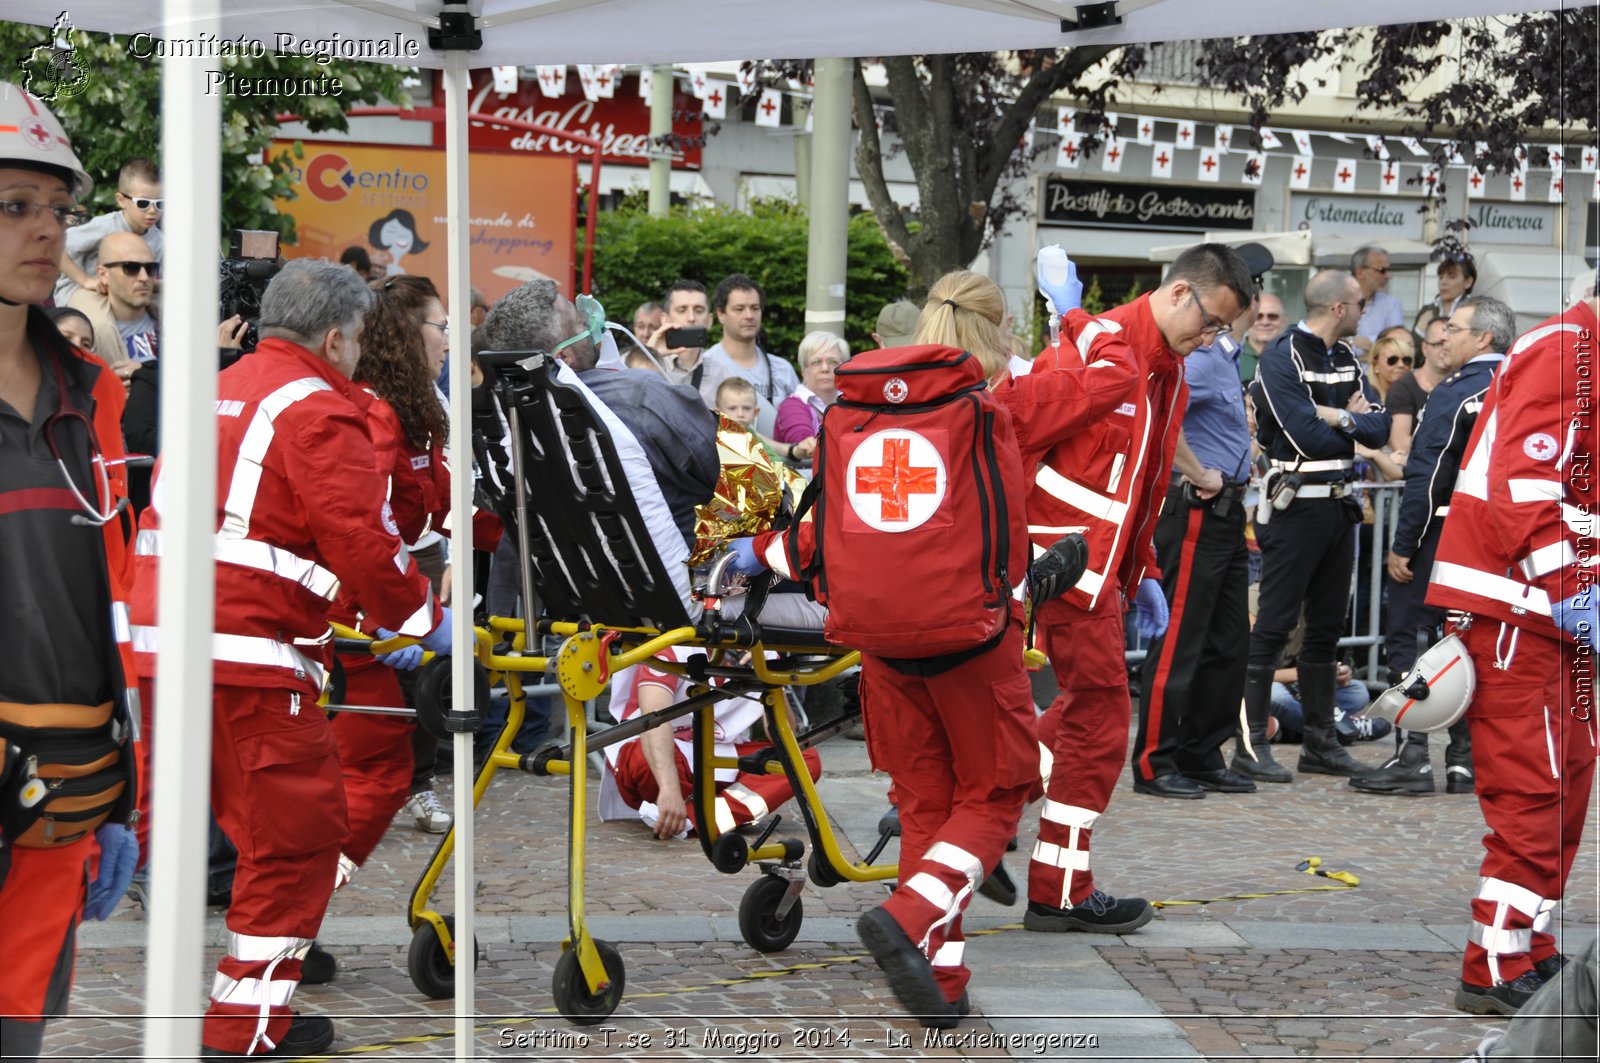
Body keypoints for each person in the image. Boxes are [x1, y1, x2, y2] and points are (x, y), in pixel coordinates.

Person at [729, 265, 1138, 1028]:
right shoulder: (1003, 404)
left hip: (881, 644)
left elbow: (827, 534)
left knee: (925, 804)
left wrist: (756, 552)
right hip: (973, 642)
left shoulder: (857, 414)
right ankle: (912, 911)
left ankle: (942, 973)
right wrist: (1076, 314)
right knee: (996, 793)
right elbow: (1118, 375)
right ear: (998, 331)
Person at [128, 259, 453, 1058]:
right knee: (296, 838)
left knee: (214, 831)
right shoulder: (316, 407)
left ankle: (234, 1004)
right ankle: (245, 1026)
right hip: (249, 650)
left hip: (164, 641)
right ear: (337, 337)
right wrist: (425, 619)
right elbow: (359, 539)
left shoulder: (219, 385)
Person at [1027, 244, 1255, 926]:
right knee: (1097, 722)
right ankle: (1056, 883)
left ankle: (1001, 813)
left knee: (1084, 719)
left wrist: (1144, 572)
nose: (1213, 339)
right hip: (1062, 574)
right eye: (1211, 321)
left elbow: (1143, 485)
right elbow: (1021, 447)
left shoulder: (1168, 370)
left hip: (1095, 577)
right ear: (1181, 291)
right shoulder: (1090, 353)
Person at [0, 84, 143, 1063]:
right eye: (14, 206)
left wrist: (126, 790)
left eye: (56, 207)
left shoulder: (88, 393)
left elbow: (117, 585)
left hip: (66, 787)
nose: (47, 230)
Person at [1425, 292, 1598, 1015]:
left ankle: (1528, 936)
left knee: (1568, 778)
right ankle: (1492, 960)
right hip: (1518, 607)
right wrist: (1572, 588)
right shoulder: (1569, 349)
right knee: (1534, 784)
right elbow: (1523, 485)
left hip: (1548, 612)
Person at [1131, 243, 1273, 799]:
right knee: (1182, 638)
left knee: (1227, 640)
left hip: (1227, 507)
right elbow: (1162, 419)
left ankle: (1201, 751)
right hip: (1196, 506)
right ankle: (1156, 760)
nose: (1215, 328)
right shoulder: (1194, 351)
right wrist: (1197, 472)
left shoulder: (1218, 351)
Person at [1358, 296, 1512, 798]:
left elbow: (1428, 475)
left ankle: (1413, 756)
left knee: (1409, 640)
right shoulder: (1525, 384)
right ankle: (1464, 760)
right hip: (1502, 541)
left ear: (1483, 337)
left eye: (1455, 329)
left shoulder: (1460, 390)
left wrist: (1404, 544)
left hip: (1446, 535)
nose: (1444, 337)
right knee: (1467, 645)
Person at [329, 275, 457, 873]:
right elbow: (358, 531)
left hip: (407, 572)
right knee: (369, 763)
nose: (449, 342)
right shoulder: (375, 414)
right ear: (409, 334)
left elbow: (444, 497)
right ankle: (295, 905)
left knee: (398, 734)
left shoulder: (420, 405)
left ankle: (298, 905)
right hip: (364, 598)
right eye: (441, 326)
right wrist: (376, 619)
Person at [1243, 270, 1391, 781]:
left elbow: (1380, 424)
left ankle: (1321, 744)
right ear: (1337, 309)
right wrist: (1346, 421)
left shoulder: (1348, 356)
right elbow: (1305, 437)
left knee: (1327, 628)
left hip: (1339, 504)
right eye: (1358, 304)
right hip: (1296, 505)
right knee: (1275, 624)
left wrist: (1340, 418)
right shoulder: (1282, 357)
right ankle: (1251, 743)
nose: (1363, 311)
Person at [486, 280, 718, 546]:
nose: (591, 322)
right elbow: (725, 470)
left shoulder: (513, 419)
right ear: (563, 357)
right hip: (689, 569)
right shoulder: (641, 396)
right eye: (580, 323)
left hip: (578, 580)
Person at [600, 646, 821, 838]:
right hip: (663, 756)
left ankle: (698, 819)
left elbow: (783, 736)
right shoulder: (672, 647)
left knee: (803, 758)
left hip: (719, 755)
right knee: (640, 756)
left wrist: (770, 681)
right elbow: (651, 722)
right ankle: (684, 807)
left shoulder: (762, 652)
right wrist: (669, 789)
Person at [695, 273, 799, 434]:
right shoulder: (704, 368)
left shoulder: (783, 368)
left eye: (755, 308)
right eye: (739, 309)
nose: (749, 316)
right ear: (721, 315)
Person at [53, 156, 161, 305]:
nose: (152, 211)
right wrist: (85, 281)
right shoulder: (106, 226)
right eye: (143, 203)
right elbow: (56, 247)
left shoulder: (159, 240)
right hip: (80, 290)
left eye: (160, 203)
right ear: (121, 200)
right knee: (104, 325)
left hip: (125, 295)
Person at [67, 230, 160, 372]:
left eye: (150, 268)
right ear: (103, 275)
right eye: (130, 267)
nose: (144, 277)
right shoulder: (85, 334)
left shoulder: (174, 315)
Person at [1386, 319, 1450, 463]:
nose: (1445, 349)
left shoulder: (1464, 385)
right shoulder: (1403, 387)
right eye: (1438, 344)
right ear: (1424, 348)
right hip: (1419, 472)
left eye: (1449, 343)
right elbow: (1400, 442)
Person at [772, 331, 846, 451]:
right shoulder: (791, 406)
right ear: (803, 370)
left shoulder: (853, 402)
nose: (825, 368)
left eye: (833, 362)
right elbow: (804, 444)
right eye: (816, 362)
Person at [648, 279, 712, 387]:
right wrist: (648, 355)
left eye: (699, 310)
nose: (691, 318)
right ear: (665, 319)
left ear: (709, 320)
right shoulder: (634, 362)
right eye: (682, 310)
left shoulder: (722, 373)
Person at [1351, 245, 1404, 352]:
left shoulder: (1392, 305)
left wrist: (1367, 348)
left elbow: (1397, 345)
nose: (1388, 276)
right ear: (1361, 273)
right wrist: (1352, 342)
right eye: (1382, 270)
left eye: (1389, 270)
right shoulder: (1338, 302)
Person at [1414, 252, 1477, 336]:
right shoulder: (1426, 311)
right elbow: (1411, 348)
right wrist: (1419, 331)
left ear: (1468, 282)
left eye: (1452, 277)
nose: (1443, 282)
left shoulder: (1475, 311)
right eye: (1441, 277)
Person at [1238, 291, 1284, 383]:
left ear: (1284, 319)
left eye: (1272, 316)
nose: (1265, 322)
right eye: (1258, 316)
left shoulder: (1294, 359)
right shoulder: (1232, 359)